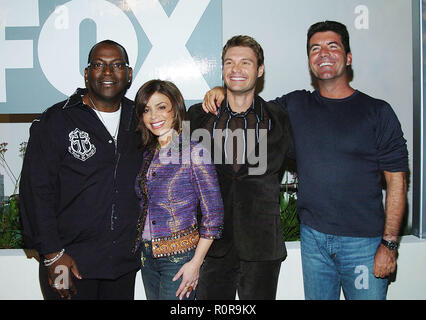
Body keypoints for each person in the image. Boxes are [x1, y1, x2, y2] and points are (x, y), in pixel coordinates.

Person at [202, 21, 408, 300]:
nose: (323, 53)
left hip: (364, 244)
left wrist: (389, 244)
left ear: (348, 57)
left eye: (332, 46)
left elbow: (396, 181)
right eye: (315, 48)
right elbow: (247, 104)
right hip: (314, 241)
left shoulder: (377, 112)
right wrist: (221, 90)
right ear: (309, 60)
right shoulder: (293, 106)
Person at [19, 40, 142, 300]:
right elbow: (35, 191)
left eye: (117, 65)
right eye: (99, 65)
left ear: (129, 74)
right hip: (67, 264)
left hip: (120, 267)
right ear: (87, 74)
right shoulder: (57, 120)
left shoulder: (141, 120)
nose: (108, 72)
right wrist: (52, 256)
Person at [188, 35, 293, 300]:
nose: (236, 69)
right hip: (212, 245)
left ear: (260, 70)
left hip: (262, 247)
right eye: (229, 63)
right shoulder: (197, 117)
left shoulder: (278, 117)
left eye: (245, 63)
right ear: (222, 69)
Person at [133, 79, 224, 300]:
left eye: (161, 107)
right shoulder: (147, 154)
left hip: (180, 259)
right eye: (147, 110)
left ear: (176, 109)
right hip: (147, 256)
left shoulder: (194, 152)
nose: (154, 116)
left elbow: (214, 215)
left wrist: (195, 263)